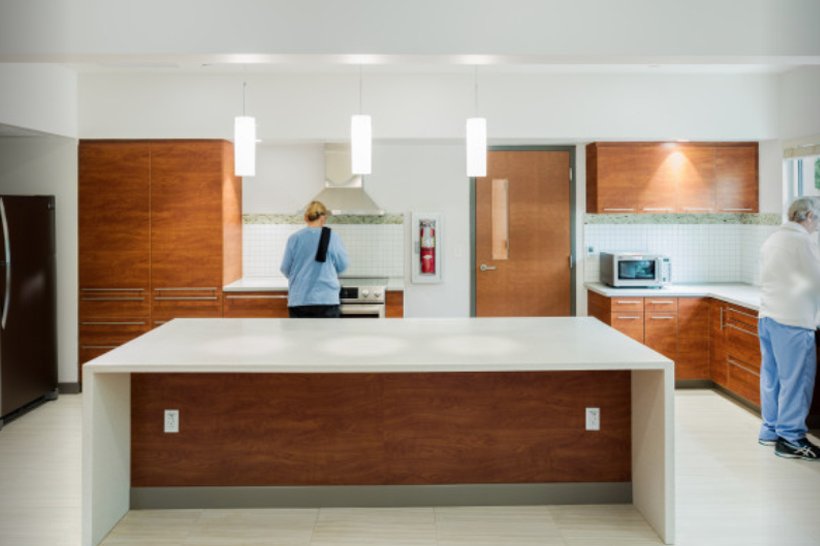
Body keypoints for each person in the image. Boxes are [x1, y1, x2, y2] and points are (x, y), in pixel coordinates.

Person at [757, 196, 820, 460]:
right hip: (793, 321)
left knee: (772, 378)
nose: (817, 224)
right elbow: (815, 279)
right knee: (796, 381)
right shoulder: (802, 241)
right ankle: (791, 438)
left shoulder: (774, 238)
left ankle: (770, 430)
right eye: (816, 218)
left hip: (768, 317)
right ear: (807, 217)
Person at [280, 201, 349, 318]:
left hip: (299, 300)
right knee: (327, 336)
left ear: (306, 218)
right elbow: (342, 265)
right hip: (327, 300)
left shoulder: (294, 238)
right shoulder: (332, 237)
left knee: (300, 336)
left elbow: (285, 268)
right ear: (323, 218)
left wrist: (301, 278)